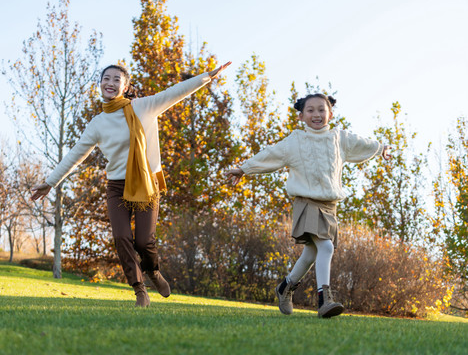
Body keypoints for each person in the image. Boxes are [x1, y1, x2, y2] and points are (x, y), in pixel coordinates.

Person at [31, 61, 231, 307]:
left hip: (147, 183)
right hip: (117, 186)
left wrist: (206, 77)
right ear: (100, 84)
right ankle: (139, 290)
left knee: (144, 241)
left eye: (117, 79)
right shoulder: (97, 123)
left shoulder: (144, 107)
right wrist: (50, 182)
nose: (110, 83)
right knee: (122, 237)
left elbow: (174, 93)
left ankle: (153, 272)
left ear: (125, 87)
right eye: (107, 78)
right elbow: (75, 155)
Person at [225, 94, 391, 318]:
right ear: (301, 116)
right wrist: (244, 168)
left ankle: (286, 287)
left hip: (329, 205)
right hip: (306, 202)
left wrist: (380, 148)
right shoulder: (296, 142)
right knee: (326, 247)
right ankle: (325, 300)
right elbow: (270, 154)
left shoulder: (339, 138)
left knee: (311, 253)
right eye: (311, 110)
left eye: (321, 110)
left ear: (330, 114)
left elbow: (362, 143)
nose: (317, 115)